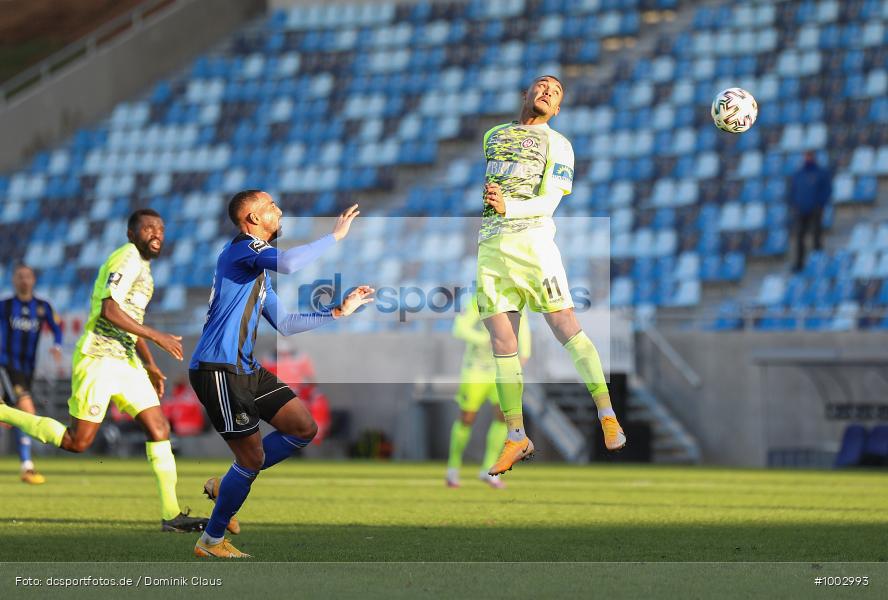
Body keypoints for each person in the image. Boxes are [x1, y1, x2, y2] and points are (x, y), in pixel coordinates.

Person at [0, 209, 208, 532]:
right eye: (148, 228)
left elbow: (131, 321)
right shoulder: (127, 258)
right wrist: (157, 336)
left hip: (126, 361)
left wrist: (149, 364)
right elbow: (109, 310)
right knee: (77, 442)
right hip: (98, 358)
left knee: (159, 427)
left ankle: (171, 515)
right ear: (131, 234)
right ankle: (4, 412)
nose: (156, 233)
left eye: (160, 228)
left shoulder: (144, 269)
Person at [191, 190, 373, 559]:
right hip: (219, 370)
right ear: (253, 219)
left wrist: (337, 312)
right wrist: (334, 237)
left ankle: (225, 485)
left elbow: (286, 323)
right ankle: (210, 541)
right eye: (271, 206)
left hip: (245, 367)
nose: (279, 210)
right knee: (251, 459)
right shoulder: (242, 249)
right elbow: (289, 263)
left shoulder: (256, 270)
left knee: (303, 428)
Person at [476, 75, 627, 476]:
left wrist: (509, 207)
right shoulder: (493, 136)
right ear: (525, 93)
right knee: (501, 342)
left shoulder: (558, 145)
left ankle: (606, 413)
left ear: (557, 109)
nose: (547, 92)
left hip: (533, 246)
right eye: (542, 86)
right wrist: (499, 209)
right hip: (491, 249)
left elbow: (549, 202)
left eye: (556, 92)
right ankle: (516, 436)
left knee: (565, 326)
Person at [446, 297, 530, 489]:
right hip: (476, 370)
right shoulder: (479, 299)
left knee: (502, 418)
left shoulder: (515, 299)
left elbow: (523, 326)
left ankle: (489, 469)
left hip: (501, 369)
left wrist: (525, 353)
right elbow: (459, 328)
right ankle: (453, 468)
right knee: (467, 418)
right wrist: (485, 339)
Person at [0, 264, 64, 484]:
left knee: (12, 417)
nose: (24, 280)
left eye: (27, 276)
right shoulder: (6, 306)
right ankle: (27, 467)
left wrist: (57, 345)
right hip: (8, 365)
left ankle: (26, 466)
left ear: (33, 280)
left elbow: (57, 327)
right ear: (14, 280)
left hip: (28, 369)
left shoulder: (43, 307)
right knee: (27, 410)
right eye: (20, 276)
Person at [789, 151, 832, 272]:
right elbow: (793, 191)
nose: (808, 158)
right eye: (806, 156)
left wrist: (820, 204)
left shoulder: (820, 173)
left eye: (810, 156)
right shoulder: (798, 174)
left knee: (816, 237)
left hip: (815, 209)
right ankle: (799, 264)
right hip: (801, 210)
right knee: (799, 238)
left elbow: (827, 190)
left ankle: (818, 264)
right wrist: (794, 204)